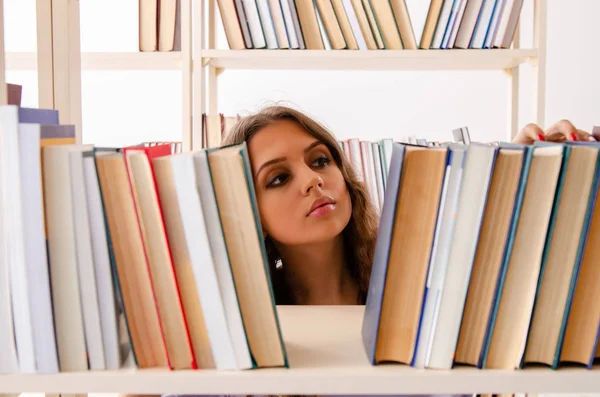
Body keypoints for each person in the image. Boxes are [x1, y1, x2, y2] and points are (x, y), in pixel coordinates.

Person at [128, 106, 591, 397]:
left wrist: (549, 170)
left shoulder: (426, 284)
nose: (313, 180)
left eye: (320, 159)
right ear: (243, 213)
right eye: (278, 178)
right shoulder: (238, 333)